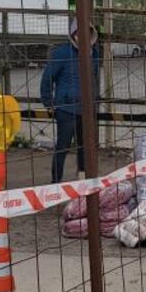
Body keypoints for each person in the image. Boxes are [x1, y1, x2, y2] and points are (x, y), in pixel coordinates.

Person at [41, 19, 101, 183]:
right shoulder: (62, 53)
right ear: (73, 35)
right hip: (66, 109)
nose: (83, 37)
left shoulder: (93, 53)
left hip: (87, 110)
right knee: (63, 147)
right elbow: (47, 78)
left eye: (87, 33)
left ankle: (82, 178)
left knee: (85, 147)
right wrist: (49, 102)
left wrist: (95, 102)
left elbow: (94, 79)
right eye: (79, 33)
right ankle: (56, 182)